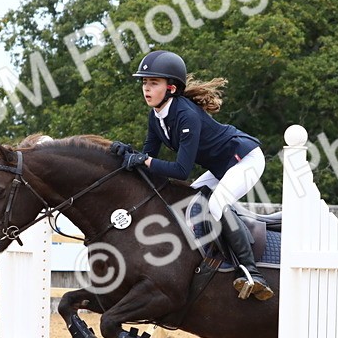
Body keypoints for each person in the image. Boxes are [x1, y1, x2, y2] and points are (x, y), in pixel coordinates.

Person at [114, 50, 273, 301]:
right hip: (222, 167)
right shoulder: (156, 117)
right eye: (145, 82)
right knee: (187, 203)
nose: (146, 88)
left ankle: (251, 273)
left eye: (153, 83)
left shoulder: (185, 115)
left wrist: (144, 160)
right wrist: (126, 154)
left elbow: (181, 170)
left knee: (217, 205)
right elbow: (148, 157)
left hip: (245, 159)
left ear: (171, 89)